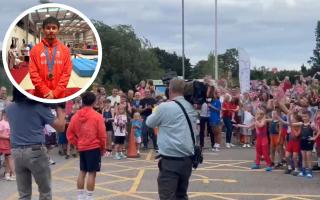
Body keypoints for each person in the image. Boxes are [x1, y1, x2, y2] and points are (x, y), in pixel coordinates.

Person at [5, 88, 66, 200]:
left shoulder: (9, 108)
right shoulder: (39, 107)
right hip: (35, 151)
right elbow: (61, 127)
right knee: (45, 192)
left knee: (24, 194)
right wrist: (60, 108)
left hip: (17, 152)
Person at [146, 78, 197, 200]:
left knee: (167, 196)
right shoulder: (190, 106)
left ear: (169, 90)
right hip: (187, 159)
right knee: (181, 195)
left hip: (170, 160)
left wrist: (159, 107)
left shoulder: (165, 107)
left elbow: (149, 122)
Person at [67, 91, 107, 200]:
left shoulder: (75, 116)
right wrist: (103, 148)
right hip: (93, 147)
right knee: (92, 173)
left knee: (82, 171)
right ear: (94, 102)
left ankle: (80, 196)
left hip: (82, 147)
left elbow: (69, 134)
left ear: (83, 101)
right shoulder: (97, 116)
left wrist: (77, 143)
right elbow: (102, 135)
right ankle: (89, 197)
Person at [29, 16, 72, 99]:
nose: (51, 30)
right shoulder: (35, 50)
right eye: (48, 28)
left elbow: (67, 73)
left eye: (54, 28)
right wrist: (45, 91)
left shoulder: (65, 50)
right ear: (43, 30)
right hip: (41, 94)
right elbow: (33, 73)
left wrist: (55, 93)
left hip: (59, 95)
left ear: (58, 30)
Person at [0, 110, 15, 181]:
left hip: (9, 143)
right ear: (4, 114)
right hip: (4, 143)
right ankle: (14, 174)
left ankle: (7, 174)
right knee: (10, 158)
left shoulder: (9, 122)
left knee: (8, 158)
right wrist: (8, 137)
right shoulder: (1, 123)